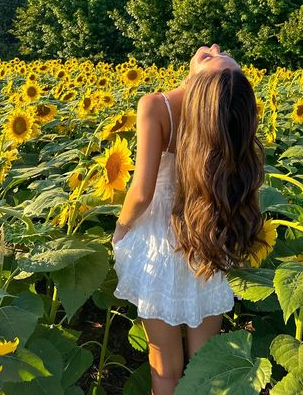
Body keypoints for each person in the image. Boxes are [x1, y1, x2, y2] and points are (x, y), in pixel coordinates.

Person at [111, 43, 267, 395]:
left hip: (158, 246)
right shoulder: (226, 114)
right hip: (206, 236)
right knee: (205, 362)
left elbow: (141, 192)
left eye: (211, 59)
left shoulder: (157, 106)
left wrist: (121, 228)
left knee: (164, 365)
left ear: (202, 89)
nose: (211, 48)